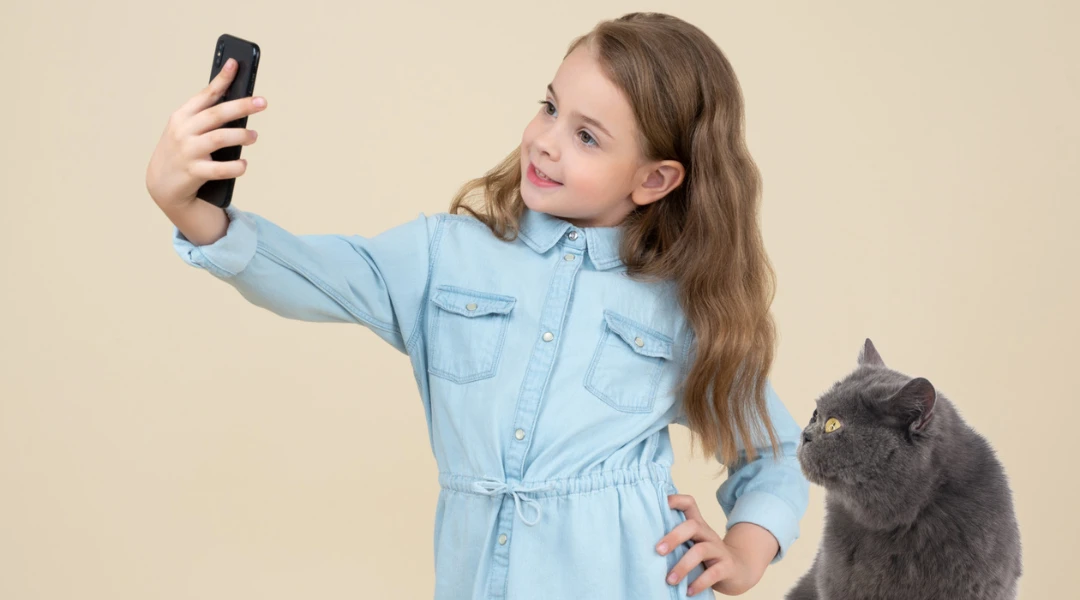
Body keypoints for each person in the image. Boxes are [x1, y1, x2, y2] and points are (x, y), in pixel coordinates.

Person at [146, 11, 809, 599]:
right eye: (549, 108)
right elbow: (311, 274)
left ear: (654, 179)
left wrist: (746, 555)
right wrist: (189, 207)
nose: (547, 141)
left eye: (587, 136)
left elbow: (774, 451)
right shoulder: (446, 256)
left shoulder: (680, 308)